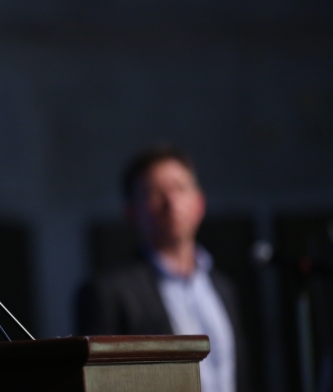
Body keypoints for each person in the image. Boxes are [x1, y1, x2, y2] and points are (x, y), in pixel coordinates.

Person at [75, 146, 248, 392]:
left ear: (199, 202)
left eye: (180, 188)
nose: (171, 202)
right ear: (132, 212)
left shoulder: (224, 287)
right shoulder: (108, 292)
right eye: (155, 193)